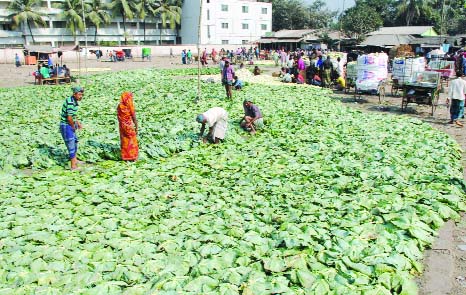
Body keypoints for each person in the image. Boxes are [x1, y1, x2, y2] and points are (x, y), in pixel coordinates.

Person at [60, 86, 84, 170]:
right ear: (74, 94)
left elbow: (73, 115)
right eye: (79, 94)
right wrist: (73, 127)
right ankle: (73, 166)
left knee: (75, 142)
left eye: (82, 95)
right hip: (66, 126)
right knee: (71, 145)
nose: (81, 96)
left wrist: (78, 122)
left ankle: (75, 160)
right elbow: (69, 117)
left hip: (70, 125)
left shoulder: (74, 101)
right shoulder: (70, 102)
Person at [117, 91, 139, 161]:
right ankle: (132, 157)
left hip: (122, 126)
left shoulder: (119, 106)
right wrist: (136, 125)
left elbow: (119, 116)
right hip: (128, 126)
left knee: (125, 140)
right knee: (132, 139)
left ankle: (125, 157)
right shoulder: (129, 104)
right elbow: (133, 115)